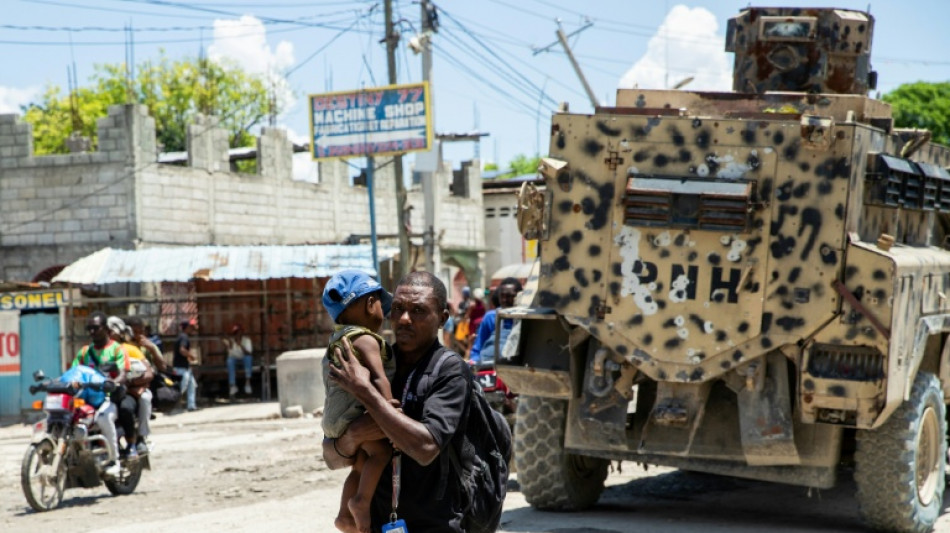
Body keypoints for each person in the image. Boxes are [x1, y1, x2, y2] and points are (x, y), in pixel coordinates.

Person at [323, 271, 473, 532]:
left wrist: (367, 395)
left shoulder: (448, 371)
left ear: (442, 319)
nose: (404, 318)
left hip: (433, 523)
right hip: (380, 521)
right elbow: (332, 458)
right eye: (399, 308)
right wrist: (354, 435)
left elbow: (425, 448)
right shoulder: (374, 362)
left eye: (418, 310)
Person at [321, 269, 395, 533]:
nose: (383, 315)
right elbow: (378, 378)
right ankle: (361, 503)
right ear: (369, 303)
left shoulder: (338, 339)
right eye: (381, 306)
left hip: (334, 422)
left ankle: (344, 516)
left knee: (362, 463)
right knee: (381, 452)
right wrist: (389, 411)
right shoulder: (365, 339)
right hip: (354, 415)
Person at [70, 311, 129, 474]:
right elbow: (74, 372)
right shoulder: (84, 352)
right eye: (89, 328)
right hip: (87, 397)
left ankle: (114, 460)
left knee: (103, 418)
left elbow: (123, 372)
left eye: (95, 328)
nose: (91, 332)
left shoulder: (117, 349)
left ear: (105, 328)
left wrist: (114, 383)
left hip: (108, 398)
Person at [107, 316, 154, 455]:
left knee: (143, 400)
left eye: (110, 331)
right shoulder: (96, 351)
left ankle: (140, 438)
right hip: (107, 391)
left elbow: (149, 373)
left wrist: (131, 384)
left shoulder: (130, 349)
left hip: (130, 391)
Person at [469, 277, 523, 365]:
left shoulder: (524, 319)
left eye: (509, 296)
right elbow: (478, 347)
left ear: (519, 296)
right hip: (486, 368)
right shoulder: (490, 317)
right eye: (502, 296)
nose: (504, 300)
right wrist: (474, 362)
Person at [173, 318, 199, 411]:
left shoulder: (182, 336)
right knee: (181, 387)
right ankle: (174, 405)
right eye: (191, 327)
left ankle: (191, 406)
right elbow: (182, 350)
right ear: (186, 327)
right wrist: (191, 356)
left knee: (192, 385)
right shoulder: (184, 337)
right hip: (181, 368)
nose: (192, 328)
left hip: (184, 367)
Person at [222, 324, 254, 397]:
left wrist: (241, 345)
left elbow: (249, 353)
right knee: (229, 361)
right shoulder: (231, 341)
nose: (238, 334)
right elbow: (228, 351)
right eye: (236, 333)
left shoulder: (247, 340)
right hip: (234, 360)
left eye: (239, 332)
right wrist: (229, 342)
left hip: (244, 359)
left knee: (248, 358)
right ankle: (233, 385)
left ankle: (247, 383)